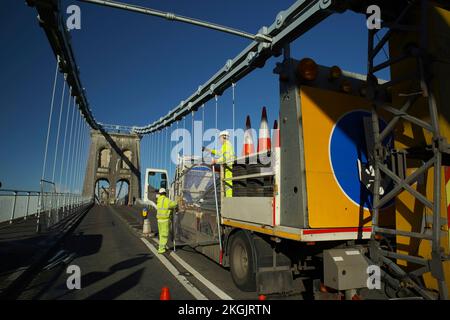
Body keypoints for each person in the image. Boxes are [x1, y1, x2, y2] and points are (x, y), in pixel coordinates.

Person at [203, 130, 235, 197]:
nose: (219, 140)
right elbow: (219, 152)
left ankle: (229, 201)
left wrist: (216, 161)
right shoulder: (225, 145)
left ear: (224, 137)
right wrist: (207, 150)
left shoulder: (227, 145)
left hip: (229, 167)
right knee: (227, 184)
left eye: (220, 138)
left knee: (228, 184)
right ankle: (228, 199)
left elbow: (226, 157)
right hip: (227, 168)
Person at [156, 188, 177, 254]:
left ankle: (161, 247)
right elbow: (174, 204)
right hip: (165, 220)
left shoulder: (158, 201)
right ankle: (161, 249)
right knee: (164, 235)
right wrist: (176, 202)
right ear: (165, 193)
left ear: (160, 193)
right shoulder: (166, 200)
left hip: (159, 220)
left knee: (161, 234)